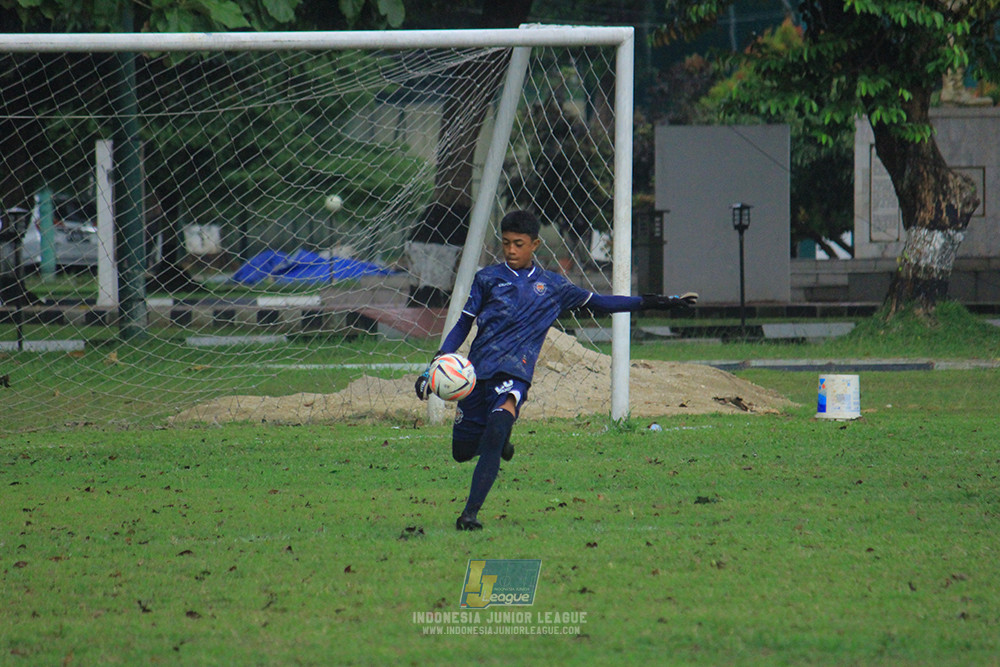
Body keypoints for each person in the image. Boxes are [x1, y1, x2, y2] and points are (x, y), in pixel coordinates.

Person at [414, 209, 698, 531]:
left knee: (494, 431)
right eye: (506, 243)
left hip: (514, 375)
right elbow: (463, 323)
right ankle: (501, 441)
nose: (510, 250)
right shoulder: (487, 279)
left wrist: (656, 302)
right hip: (475, 375)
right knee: (462, 452)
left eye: (518, 244)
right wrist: (434, 366)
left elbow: (603, 303)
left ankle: (469, 514)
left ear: (535, 244)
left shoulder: (553, 286)